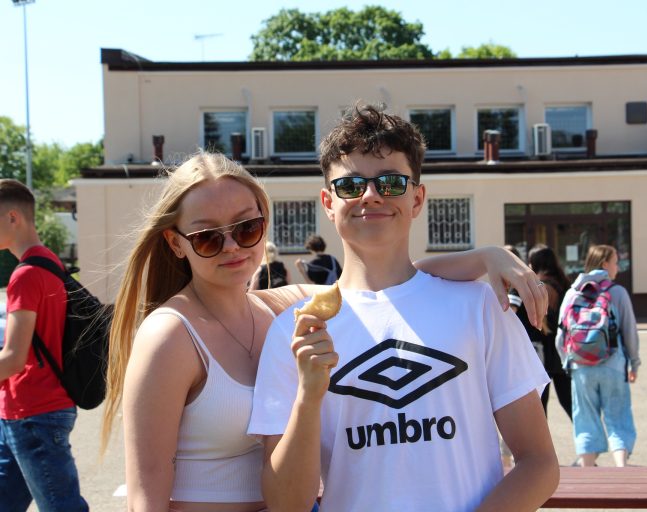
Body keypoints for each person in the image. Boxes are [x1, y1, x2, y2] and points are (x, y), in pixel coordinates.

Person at [99, 151, 549, 510]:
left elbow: (385, 284)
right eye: (207, 237)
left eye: (247, 228)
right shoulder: (169, 335)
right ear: (176, 243)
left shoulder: (279, 308)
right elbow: (145, 495)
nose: (232, 247)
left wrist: (486, 256)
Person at [249, 104, 559, 512]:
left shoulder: (480, 306)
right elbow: (286, 504)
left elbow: (539, 464)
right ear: (328, 202)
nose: (371, 195)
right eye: (350, 185)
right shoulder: (295, 333)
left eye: (391, 182)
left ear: (417, 198)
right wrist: (308, 397)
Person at [0, 179, 88, 511]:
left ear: (13, 217)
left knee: (62, 507)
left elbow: (13, 358)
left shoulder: (25, 275)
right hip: (29, 411)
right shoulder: (50, 263)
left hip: (33, 413)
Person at [555, 244, 641, 468]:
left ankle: (587, 473)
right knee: (618, 418)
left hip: (580, 367)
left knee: (585, 420)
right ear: (604, 264)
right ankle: (621, 468)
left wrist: (569, 363)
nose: (618, 268)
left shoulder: (573, 292)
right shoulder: (617, 292)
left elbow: (560, 336)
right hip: (613, 365)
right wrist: (634, 363)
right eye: (615, 262)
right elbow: (629, 331)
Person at [517, 244, 573, 420]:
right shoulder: (565, 286)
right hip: (563, 352)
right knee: (571, 403)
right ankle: (589, 436)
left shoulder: (536, 287)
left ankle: (542, 440)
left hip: (540, 353)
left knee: (540, 407)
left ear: (534, 263)